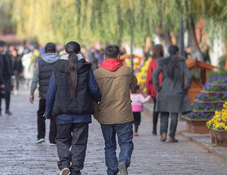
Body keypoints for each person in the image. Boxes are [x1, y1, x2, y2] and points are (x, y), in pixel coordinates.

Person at [45, 41, 101, 175]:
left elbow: (51, 90)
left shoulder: (57, 66)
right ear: (79, 51)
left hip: (62, 113)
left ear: (64, 52)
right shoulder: (86, 67)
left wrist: (48, 111)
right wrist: (99, 98)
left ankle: (64, 164)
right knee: (79, 143)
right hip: (82, 113)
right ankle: (75, 170)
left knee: (62, 140)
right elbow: (93, 88)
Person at [93, 45, 137, 175]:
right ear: (119, 56)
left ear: (104, 57)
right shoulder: (127, 71)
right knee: (126, 143)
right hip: (124, 114)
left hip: (105, 115)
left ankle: (112, 171)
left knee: (109, 146)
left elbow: (93, 96)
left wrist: (96, 114)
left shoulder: (97, 74)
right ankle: (123, 161)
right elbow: (133, 84)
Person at [152, 45, 192, 143]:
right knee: (174, 115)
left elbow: (154, 74)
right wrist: (186, 87)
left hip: (164, 91)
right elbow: (189, 76)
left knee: (164, 114)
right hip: (177, 92)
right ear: (177, 52)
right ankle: (171, 136)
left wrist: (157, 87)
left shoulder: (163, 63)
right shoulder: (182, 63)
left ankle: (163, 133)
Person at [30, 43, 59, 145]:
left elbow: (35, 79)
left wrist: (31, 93)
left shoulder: (40, 62)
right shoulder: (59, 62)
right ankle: (53, 138)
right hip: (56, 94)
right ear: (55, 50)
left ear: (45, 51)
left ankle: (41, 136)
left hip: (44, 94)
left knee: (40, 114)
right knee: (54, 116)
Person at [146, 44, 164, 135]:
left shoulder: (152, 62)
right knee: (164, 110)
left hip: (155, 89)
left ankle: (154, 129)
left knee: (156, 108)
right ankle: (163, 130)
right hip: (165, 88)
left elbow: (149, 78)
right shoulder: (165, 61)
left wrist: (148, 91)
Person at [0, 41, 13, 116]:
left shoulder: (7, 55)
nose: (0, 48)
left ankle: (7, 109)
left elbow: (10, 65)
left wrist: (12, 75)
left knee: (7, 93)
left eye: (2, 46)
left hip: (7, 77)